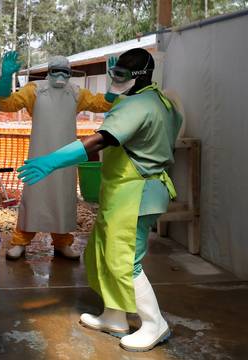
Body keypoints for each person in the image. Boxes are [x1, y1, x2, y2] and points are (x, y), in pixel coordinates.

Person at [17, 48, 182, 352]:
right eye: (113, 73)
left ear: (140, 76)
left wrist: (53, 160)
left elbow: (101, 139)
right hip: (122, 193)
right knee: (103, 254)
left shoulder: (140, 105)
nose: (115, 80)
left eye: (121, 75)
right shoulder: (159, 101)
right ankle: (115, 316)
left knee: (124, 261)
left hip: (137, 194)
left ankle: (154, 323)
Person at [0, 52, 116, 260]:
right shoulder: (35, 90)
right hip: (39, 155)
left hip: (65, 157)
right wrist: (5, 77)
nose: (61, 75)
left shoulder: (76, 93)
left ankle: (62, 242)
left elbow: (102, 104)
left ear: (70, 73)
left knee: (63, 198)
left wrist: (115, 86)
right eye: (56, 71)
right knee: (34, 196)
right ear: (48, 72)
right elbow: (7, 103)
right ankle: (21, 240)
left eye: (65, 71)